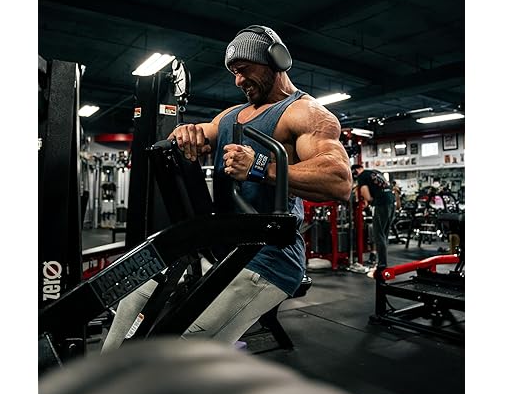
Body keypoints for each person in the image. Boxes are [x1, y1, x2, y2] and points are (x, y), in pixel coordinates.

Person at [101, 24, 353, 351]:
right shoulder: (231, 117)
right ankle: (106, 372)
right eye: (234, 72)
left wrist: (261, 167)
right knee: (135, 295)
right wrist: (185, 133)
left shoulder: (305, 113)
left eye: (244, 69)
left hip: (267, 260)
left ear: (277, 60)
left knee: (184, 347)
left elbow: (339, 181)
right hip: (221, 251)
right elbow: (194, 134)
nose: (238, 80)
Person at [351, 164, 396, 277]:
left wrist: (370, 200)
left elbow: (364, 191)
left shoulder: (362, 176)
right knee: (384, 235)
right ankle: (382, 263)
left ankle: (382, 265)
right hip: (391, 202)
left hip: (380, 204)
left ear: (356, 170)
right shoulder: (375, 172)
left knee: (378, 235)